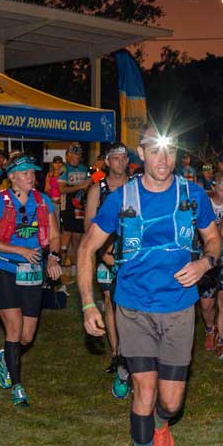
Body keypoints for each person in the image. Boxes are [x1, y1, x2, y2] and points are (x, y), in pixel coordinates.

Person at [79, 127, 221, 446]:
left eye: (170, 153)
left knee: (171, 402)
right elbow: (86, 249)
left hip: (178, 307)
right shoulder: (120, 198)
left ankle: (161, 425)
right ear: (141, 154)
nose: (164, 160)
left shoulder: (192, 195)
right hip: (133, 307)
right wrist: (88, 303)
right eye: (155, 153)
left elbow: (214, 239)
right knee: (143, 389)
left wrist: (205, 263)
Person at [0, 154, 64, 408]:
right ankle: (18, 387)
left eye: (33, 173)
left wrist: (52, 257)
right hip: (3, 270)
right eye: (26, 173)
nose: (32, 177)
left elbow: (54, 234)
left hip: (32, 271)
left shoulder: (43, 201)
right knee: (15, 328)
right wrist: (20, 251)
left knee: (27, 337)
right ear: (12, 177)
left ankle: (4, 357)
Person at [85, 143, 131, 380]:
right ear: (107, 162)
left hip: (131, 255)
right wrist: (104, 252)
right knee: (110, 302)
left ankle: (131, 351)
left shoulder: (137, 186)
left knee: (129, 305)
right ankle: (116, 352)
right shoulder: (97, 189)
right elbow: (89, 228)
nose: (121, 162)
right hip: (106, 254)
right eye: (116, 158)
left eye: (125, 158)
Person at [198, 170, 223, 359]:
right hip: (208, 259)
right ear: (213, 187)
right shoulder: (205, 203)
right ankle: (210, 330)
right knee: (206, 304)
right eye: (220, 189)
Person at [59, 142, 91, 280]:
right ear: (68, 155)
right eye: (75, 154)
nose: (77, 156)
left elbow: (87, 188)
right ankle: (60, 267)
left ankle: (74, 268)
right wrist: (80, 186)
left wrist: (87, 187)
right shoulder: (64, 168)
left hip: (80, 205)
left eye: (79, 154)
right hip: (68, 204)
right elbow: (62, 189)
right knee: (66, 235)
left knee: (78, 237)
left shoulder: (84, 168)